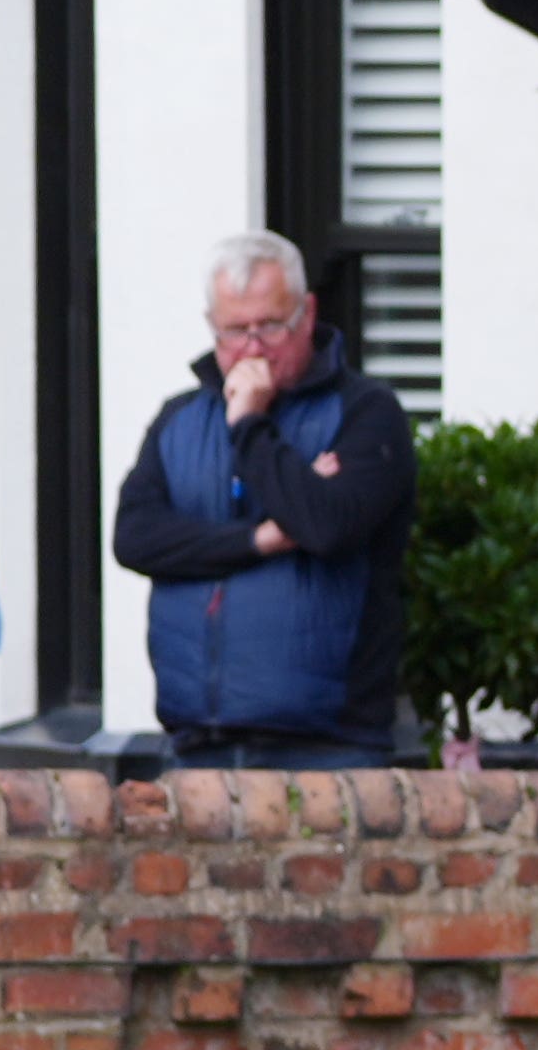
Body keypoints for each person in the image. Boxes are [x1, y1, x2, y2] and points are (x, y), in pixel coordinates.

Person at [110, 232, 418, 765]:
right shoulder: (179, 419)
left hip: (328, 747)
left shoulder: (367, 412)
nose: (253, 348)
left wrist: (250, 422)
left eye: (271, 326)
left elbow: (326, 525)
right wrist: (263, 538)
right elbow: (136, 539)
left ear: (308, 312)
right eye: (235, 331)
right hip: (198, 742)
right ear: (212, 327)